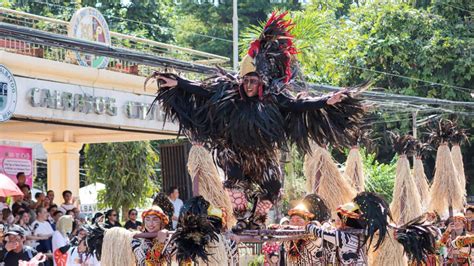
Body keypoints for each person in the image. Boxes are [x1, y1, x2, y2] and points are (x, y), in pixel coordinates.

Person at [149, 11, 364, 229]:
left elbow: (299, 105)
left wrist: (326, 101)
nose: (248, 86)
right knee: (235, 182)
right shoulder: (229, 91)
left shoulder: (274, 98)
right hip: (233, 149)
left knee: (273, 185)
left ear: (261, 81)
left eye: (253, 81)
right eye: (245, 81)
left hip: (262, 153)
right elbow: (202, 89)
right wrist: (178, 83)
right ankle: (241, 219)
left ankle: (257, 220)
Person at [305, 192, 437, 265]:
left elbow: (320, 232)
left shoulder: (344, 237)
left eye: (339, 219)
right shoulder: (360, 234)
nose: (337, 222)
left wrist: (311, 225)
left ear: (346, 220)